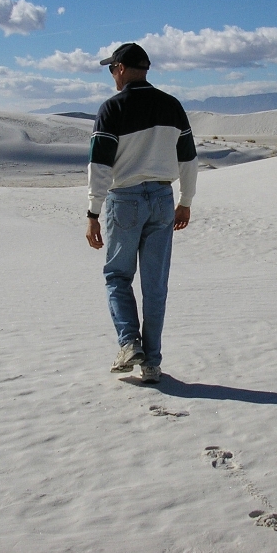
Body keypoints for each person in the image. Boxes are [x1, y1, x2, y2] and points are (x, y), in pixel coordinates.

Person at [85, 42, 198, 384]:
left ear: (120, 68)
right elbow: (189, 160)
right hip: (163, 199)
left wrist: (92, 212)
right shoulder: (172, 106)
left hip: (126, 199)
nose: (111, 76)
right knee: (155, 285)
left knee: (118, 276)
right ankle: (152, 363)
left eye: (111, 69)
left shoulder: (112, 108)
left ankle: (128, 343)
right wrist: (186, 200)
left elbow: (100, 166)